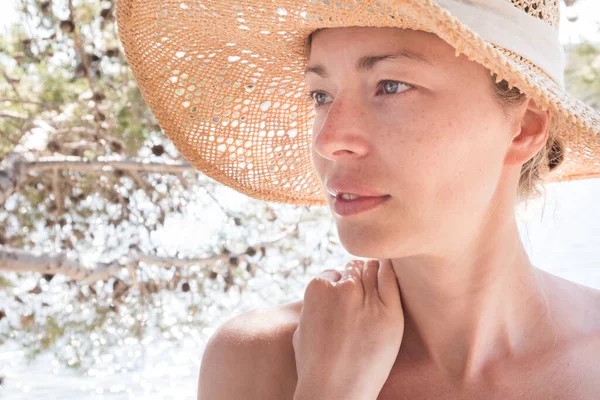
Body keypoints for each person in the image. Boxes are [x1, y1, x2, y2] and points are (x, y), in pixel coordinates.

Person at [115, 0, 600, 398]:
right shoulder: (258, 363)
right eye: (320, 95)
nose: (329, 140)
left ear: (526, 127)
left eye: (391, 85)